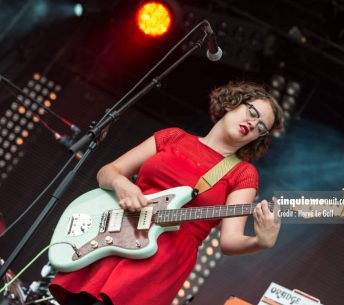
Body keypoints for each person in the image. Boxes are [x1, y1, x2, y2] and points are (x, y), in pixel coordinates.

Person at [49, 81, 285, 305]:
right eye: (252, 113)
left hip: (163, 259)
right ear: (232, 103)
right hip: (115, 232)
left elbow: (229, 240)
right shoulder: (173, 136)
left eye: (261, 127)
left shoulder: (243, 172)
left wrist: (260, 242)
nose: (254, 124)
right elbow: (108, 172)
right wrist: (123, 184)